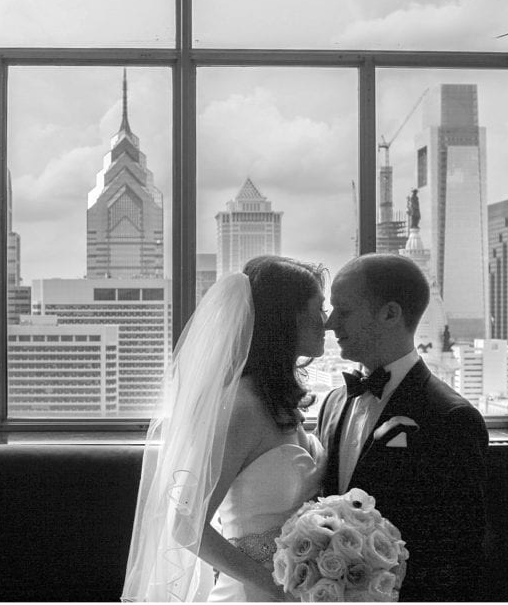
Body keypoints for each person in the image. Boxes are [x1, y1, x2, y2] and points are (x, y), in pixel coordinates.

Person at [122, 255, 328, 602]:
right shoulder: (242, 408)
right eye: (318, 309)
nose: (327, 322)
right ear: (286, 318)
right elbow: (187, 528)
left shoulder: (279, 400)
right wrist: (280, 590)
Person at [316, 253, 489, 601]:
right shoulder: (332, 403)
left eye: (344, 311)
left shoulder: (451, 418)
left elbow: (459, 548)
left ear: (391, 313)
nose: (330, 323)